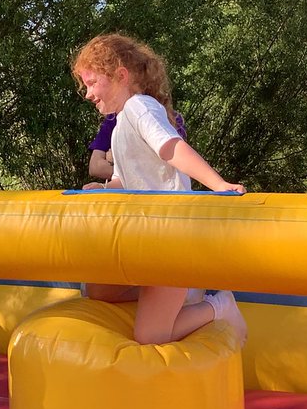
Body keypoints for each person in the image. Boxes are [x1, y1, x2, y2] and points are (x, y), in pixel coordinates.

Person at [72, 33, 248, 346]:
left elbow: (172, 149)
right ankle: (178, 294)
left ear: (121, 76)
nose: (87, 94)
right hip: (144, 239)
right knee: (97, 290)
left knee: (150, 335)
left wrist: (219, 184)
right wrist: (101, 188)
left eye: (91, 82)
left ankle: (218, 305)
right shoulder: (121, 125)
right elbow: (127, 181)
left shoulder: (141, 107)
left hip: (169, 238)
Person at [88, 111, 187, 183]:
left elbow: (171, 168)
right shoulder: (114, 118)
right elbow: (96, 167)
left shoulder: (171, 118)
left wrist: (116, 159)